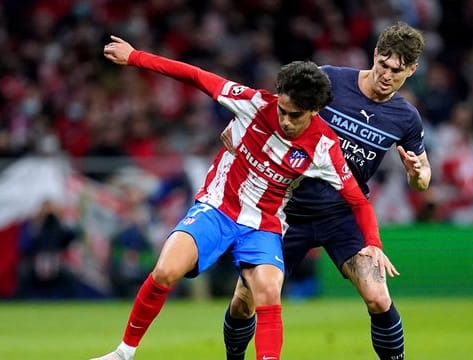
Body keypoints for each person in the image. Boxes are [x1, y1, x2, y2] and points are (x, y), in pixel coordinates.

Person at [92, 35, 395, 360]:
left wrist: (373, 242)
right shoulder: (252, 102)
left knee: (267, 292)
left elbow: (358, 201)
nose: (285, 120)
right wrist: (135, 56)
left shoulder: (324, 147)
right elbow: (195, 75)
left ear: (315, 110)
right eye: (283, 110)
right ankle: (123, 353)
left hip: (263, 225)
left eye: (296, 115)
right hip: (217, 208)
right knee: (166, 270)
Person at [221, 21, 431, 360]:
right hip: (285, 210)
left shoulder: (406, 118)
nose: (387, 75)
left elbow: (423, 181)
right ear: (374, 54)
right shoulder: (331, 79)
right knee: (245, 301)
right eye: (383, 65)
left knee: (378, 296)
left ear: (412, 69)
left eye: (397, 70)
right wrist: (239, 129)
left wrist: (418, 174)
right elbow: (279, 104)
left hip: (342, 214)